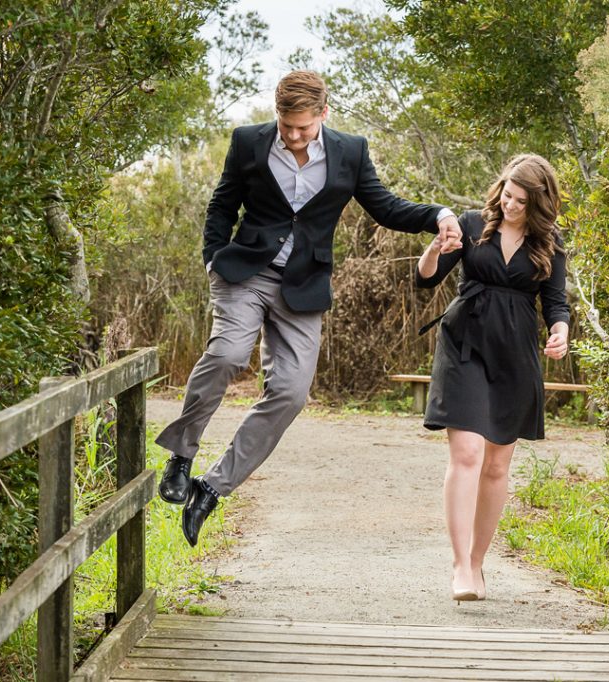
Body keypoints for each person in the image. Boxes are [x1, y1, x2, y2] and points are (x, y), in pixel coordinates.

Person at [155, 70, 463, 547]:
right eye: (286, 125)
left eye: (303, 126)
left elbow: (385, 206)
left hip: (303, 285)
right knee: (228, 355)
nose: (293, 136)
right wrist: (213, 257)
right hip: (245, 274)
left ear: (323, 113)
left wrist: (439, 215)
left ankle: (212, 487)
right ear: (276, 114)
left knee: (292, 393)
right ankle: (181, 454)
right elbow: (222, 206)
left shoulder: (350, 151)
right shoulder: (248, 143)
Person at [415, 154, 570, 601]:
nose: (512, 206)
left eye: (522, 201)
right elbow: (427, 279)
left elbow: (555, 303)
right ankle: (460, 565)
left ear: (538, 203)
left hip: (515, 353)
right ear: (500, 188)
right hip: (463, 343)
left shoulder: (550, 243)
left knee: (497, 464)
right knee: (466, 452)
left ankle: (479, 563)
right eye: (507, 195)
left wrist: (559, 332)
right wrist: (433, 249)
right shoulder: (469, 224)